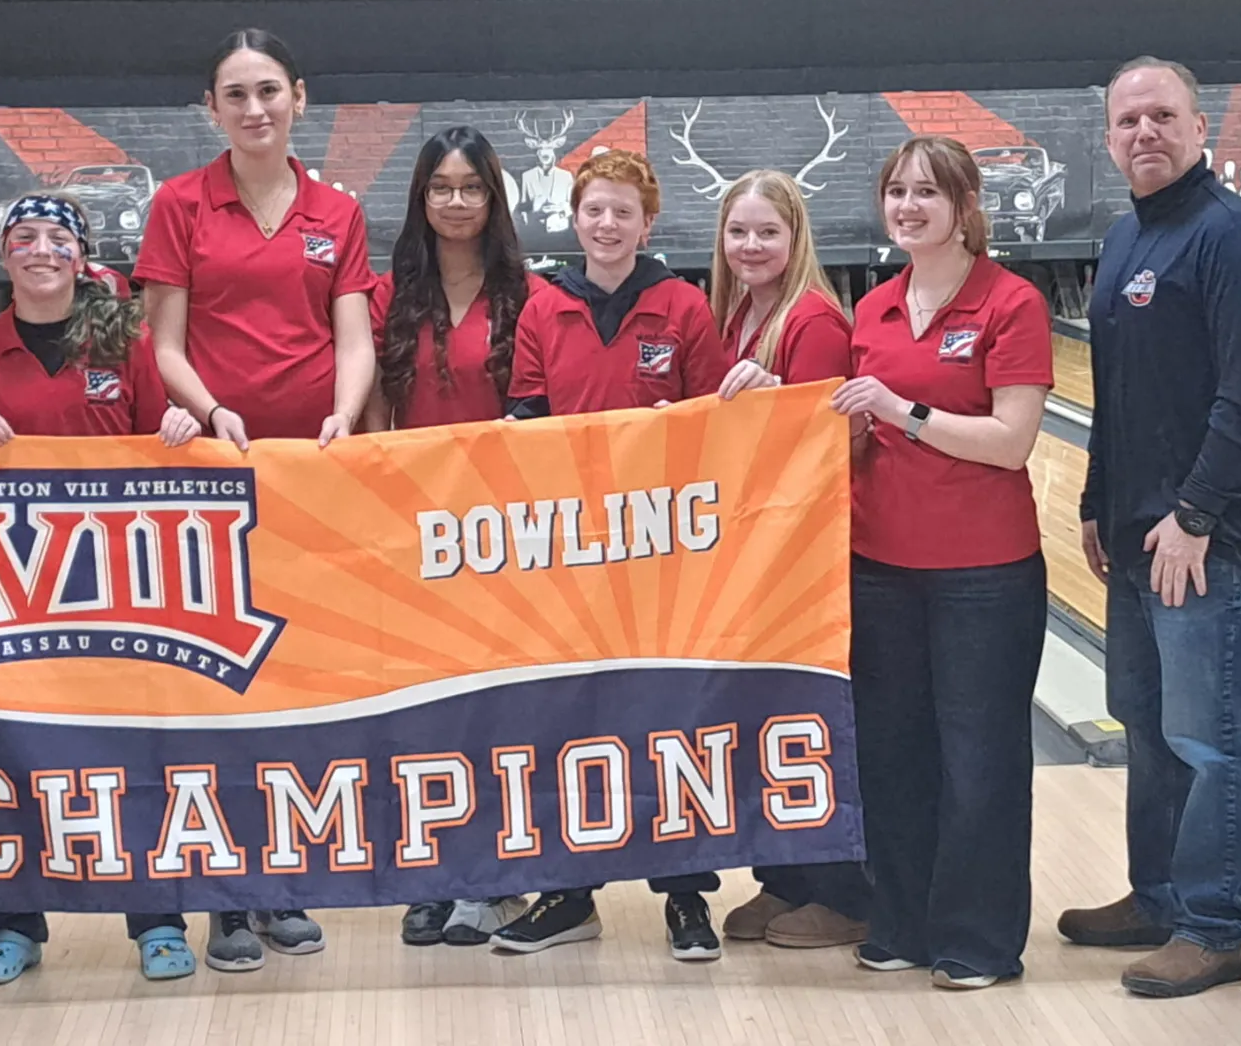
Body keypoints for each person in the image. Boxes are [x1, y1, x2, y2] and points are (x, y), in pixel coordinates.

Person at [487, 149, 771, 961]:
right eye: (592, 210)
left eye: (622, 212)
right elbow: (528, 415)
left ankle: (686, 897)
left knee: (670, 723)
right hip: (572, 556)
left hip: (663, 555)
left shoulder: (681, 307)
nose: (605, 225)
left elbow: (714, 427)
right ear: (572, 218)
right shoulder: (545, 309)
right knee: (572, 720)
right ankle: (571, 894)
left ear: (649, 223)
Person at [135, 25, 375, 971]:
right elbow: (164, 346)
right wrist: (213, 409)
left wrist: (345, 417)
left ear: (300, 97)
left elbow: (351, 335)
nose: (255, 108)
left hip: (308, 478)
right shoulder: (179, 204)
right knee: (220, 688)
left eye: (269, 90)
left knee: (297, 688)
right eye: (236, 95)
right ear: (213, 110)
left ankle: (280, 883)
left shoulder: (335, 211)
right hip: (212, 477)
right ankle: (225, 900)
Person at [1061, 57, 1241, 999]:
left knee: (1212, 737)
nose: (1144, 132)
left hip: (1212, 540)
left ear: (1201, 128)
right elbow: (1114, 399)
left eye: (1163, 116)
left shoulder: (1231, 239)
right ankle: (1156, 895)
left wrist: (1194, 517)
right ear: (1109, 138)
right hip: (1134, 536)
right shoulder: (1124, 240)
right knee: (1150, 729)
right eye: (1128, 121)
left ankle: (1214, 926)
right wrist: (1093, 499)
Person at [0, 193, 205, 983]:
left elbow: (163, 446)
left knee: (133, 751)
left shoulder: (127, 340)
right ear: (5, 254)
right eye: (24, 237)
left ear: (81, 257)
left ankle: (157, 918)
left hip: (121, 585)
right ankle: (15, 922)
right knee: (18, 753)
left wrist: (180, 430)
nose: (40, 249)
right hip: (13, 593)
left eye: (57, 238)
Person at [828, 135, 1052, 991]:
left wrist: (901, 409)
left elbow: (1011, 440)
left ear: (964, 206)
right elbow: (861, 434)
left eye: (928, 191)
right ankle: (904, 923)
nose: (909, 206)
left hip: (984, 575)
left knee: (980, 759)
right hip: (881, 565)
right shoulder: (874, 308)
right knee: (893, 753)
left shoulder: (1012, 302)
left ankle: (979, 940)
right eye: (897, 192)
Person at [364, 125, 541, 946]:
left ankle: (495, 882)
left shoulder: (530, 298)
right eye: (442, 187)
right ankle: (436, 874)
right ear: (421, 197)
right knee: (427, 715)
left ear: (493, 197)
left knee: (499, 715)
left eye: (472, 187)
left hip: (503, 534)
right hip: (413, 530)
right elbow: (372, 418)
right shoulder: (388, 297)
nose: (457, 201)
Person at [705, 169, 873, 951]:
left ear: (795, 237)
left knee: (809, 720)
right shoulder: (739, 312)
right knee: (770, 719)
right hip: (762, 554)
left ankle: (843, 893)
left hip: (804, 559)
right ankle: (788, 880)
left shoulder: (810, 321)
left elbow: (824, 445)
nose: (750, 246)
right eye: (738, 232)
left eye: (767, 232)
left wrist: (781, 398)